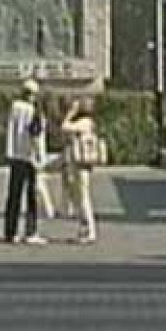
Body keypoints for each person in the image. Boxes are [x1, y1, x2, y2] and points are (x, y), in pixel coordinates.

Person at [3, 80, 47, 245]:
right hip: (30, 158)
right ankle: (31, 232)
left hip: (16, 156)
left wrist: (10, 151)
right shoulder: (34, 110)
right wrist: (40, 157)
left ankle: (10, 232)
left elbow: (12, 130)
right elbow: (35, 134)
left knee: (13, 195)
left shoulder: (15, 108)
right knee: (31, 196)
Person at [60, 99, 101, 244]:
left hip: (81, 164)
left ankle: (89, 230)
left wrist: (70, 114)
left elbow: (64, 127)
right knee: (80, 196)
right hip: (81, 163)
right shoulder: (89, 123)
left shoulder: (85, 122)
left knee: (83, 197)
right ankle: (84, 229)